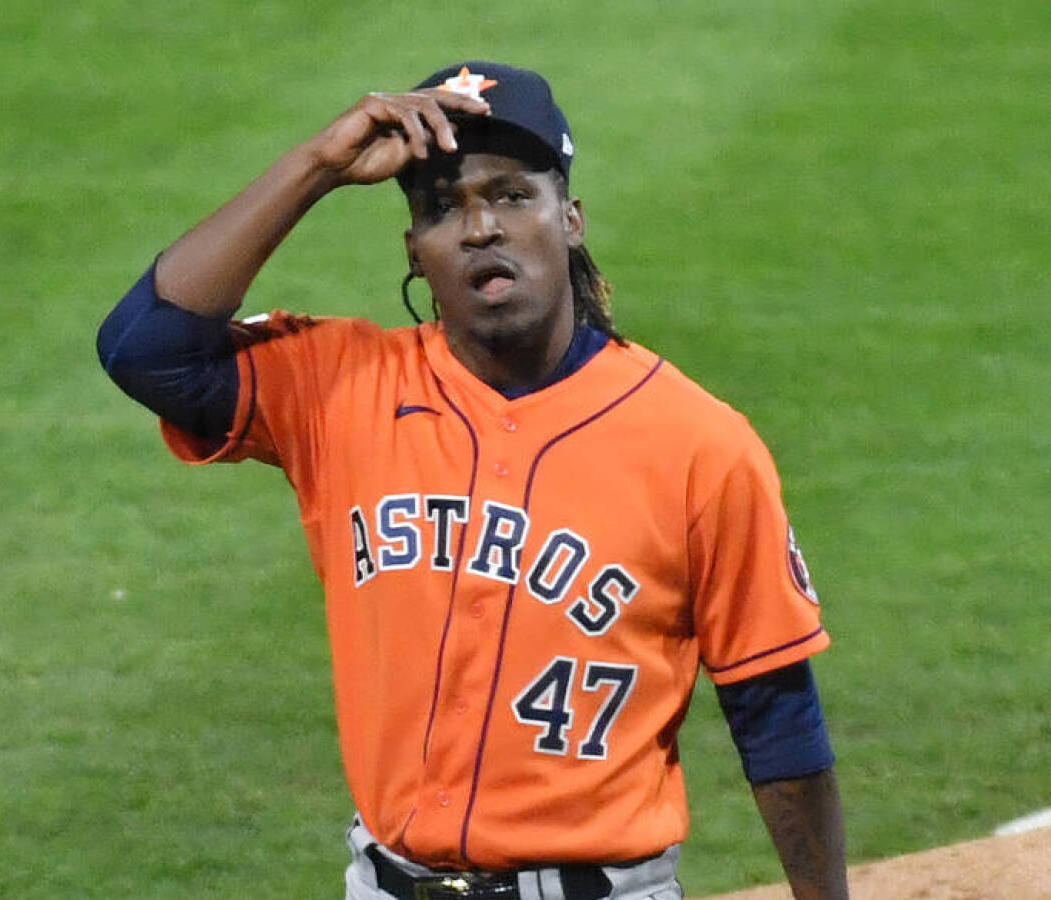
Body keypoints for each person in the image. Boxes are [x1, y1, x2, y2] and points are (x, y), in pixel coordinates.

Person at [98, 61, 849, 900]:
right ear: (416, 253)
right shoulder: (339, 386)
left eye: (510, 195)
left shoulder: (699, 444)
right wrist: (316, 167)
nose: (480, 227)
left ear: (570, 219)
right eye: (442, 207)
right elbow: (143, 350)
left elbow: (777, 715)